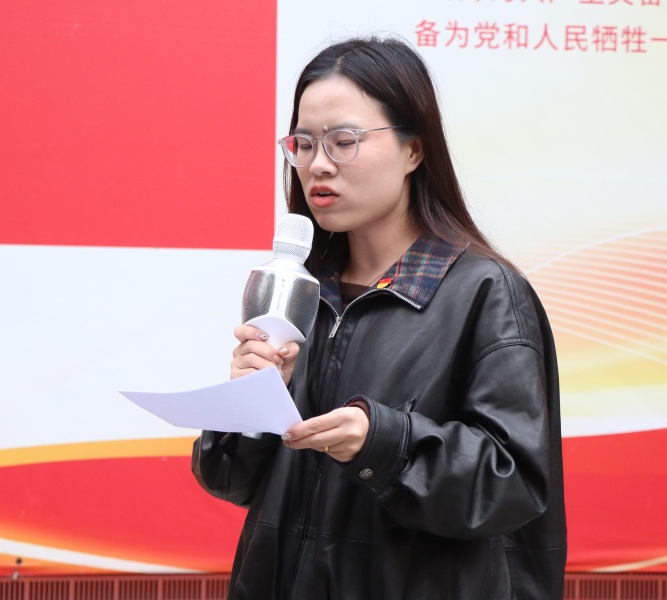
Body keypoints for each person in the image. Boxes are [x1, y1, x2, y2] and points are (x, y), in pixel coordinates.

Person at [192, 35, 566, 600]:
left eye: (344, 141)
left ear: (414, 150)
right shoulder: (299, 290)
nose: (318, 165)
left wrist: (384, 443)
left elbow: (512, 485)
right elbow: (231, 481)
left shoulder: (486, 293)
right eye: (303, 143)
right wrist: (248, 402)